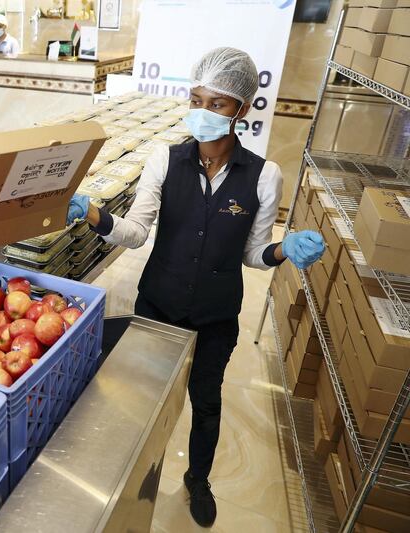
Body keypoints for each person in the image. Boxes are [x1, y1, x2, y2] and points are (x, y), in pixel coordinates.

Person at [67, 48, 325, 527]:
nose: (203, 113)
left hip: (215, 315)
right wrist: (95, 214)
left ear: (242, 110)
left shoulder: (264, 176)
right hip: (158, 303)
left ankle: (198, 480)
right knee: (137, 397)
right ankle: (124, 473)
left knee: (206, 402)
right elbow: (137, 231)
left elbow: (253, 254)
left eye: (218, 104)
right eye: (197, 99)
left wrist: (284, 249)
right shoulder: (164, 160)